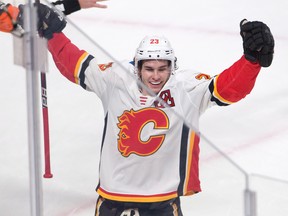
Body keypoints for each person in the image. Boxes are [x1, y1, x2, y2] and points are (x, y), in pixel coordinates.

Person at [0, 3, 274, 216]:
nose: (156, 76)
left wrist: (251, 61)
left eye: (162, 69)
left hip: (162, 201)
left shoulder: (187, 87)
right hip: (113, 198)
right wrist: (51, 34)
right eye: (149, 69)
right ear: (137, 67)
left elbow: (228, 90)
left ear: (172, 67)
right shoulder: (116, 79)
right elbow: (74, 64)